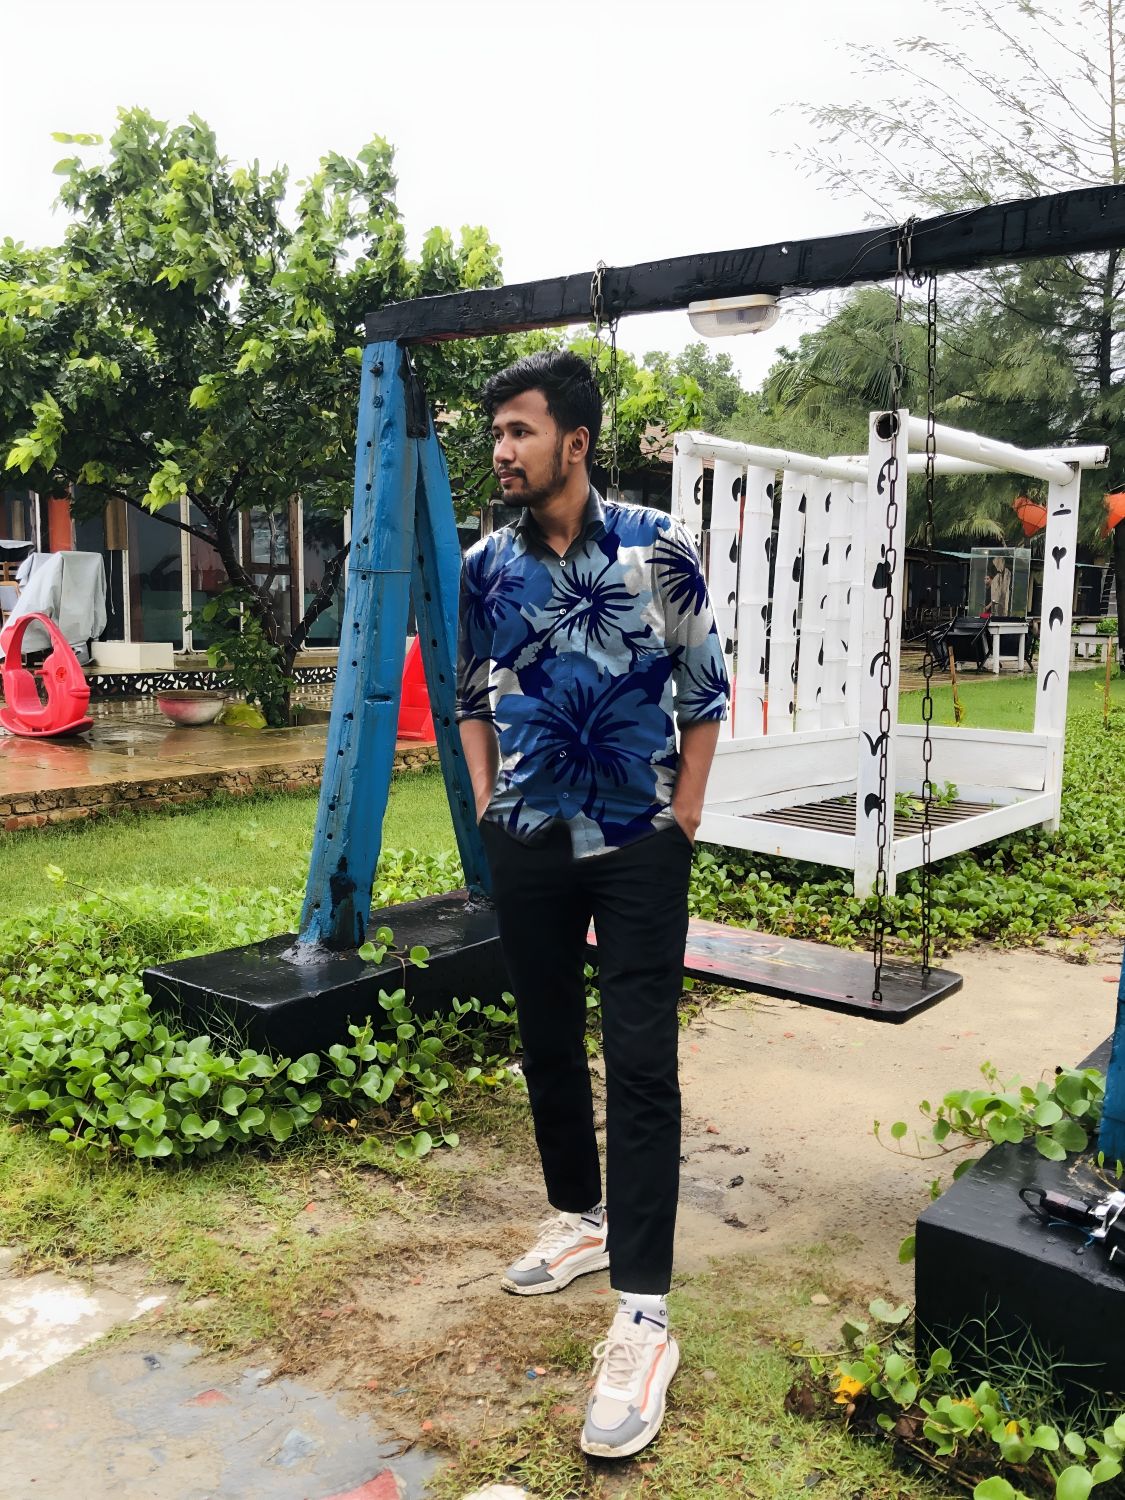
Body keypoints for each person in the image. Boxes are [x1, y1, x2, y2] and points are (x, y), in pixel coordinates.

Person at [456, 349, 729, 1459]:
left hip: (635, 842)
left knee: (642, 1059)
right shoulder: (484, 564)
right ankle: (580, 1216)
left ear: (574, 441)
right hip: (527, 839)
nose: (502, 450)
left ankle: (645, 1315)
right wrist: (487, 805)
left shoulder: (659, 548)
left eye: (519, 430)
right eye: (495, 433)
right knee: (544, 1037)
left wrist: (684, 816)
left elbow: (705, 688)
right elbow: (471, 692)